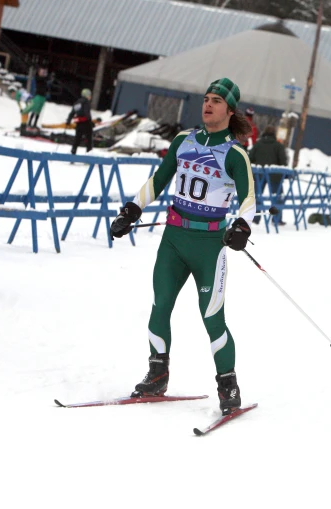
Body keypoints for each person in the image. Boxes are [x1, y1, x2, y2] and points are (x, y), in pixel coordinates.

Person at [109, 77, 256, 416]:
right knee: (160, 306)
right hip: (173, 241)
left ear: (229, 110)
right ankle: (157, 374)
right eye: (206, 98)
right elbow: (158, 180)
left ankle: (228, 384)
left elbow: (248, 196)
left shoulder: (234, 153)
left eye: (216, 101)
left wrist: (243, 225)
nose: (208, 104)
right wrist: (131, 210)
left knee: (212, 317)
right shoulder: (182, 141)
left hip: (209, 246)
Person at [249, 125, 288, 225]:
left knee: (257, 196)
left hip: (259, 175)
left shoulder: (257, 144)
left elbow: (250, 159)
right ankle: (276, 219)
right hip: (274, 175)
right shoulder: (278, 146)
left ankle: (255, 218)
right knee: (277, 197)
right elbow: (283, 162)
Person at [67, 88, 93, 155]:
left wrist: (68, 120)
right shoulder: (86, 102)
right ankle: (89, 154)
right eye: (90, 95)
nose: (90, 97)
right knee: (88, 139)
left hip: (79, 123)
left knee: (77, 138)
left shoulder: (77, 102)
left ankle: (73, 151)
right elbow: (86, 112)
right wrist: (90, 121)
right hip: (86, 122)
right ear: (87, 95)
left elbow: (72, 112)